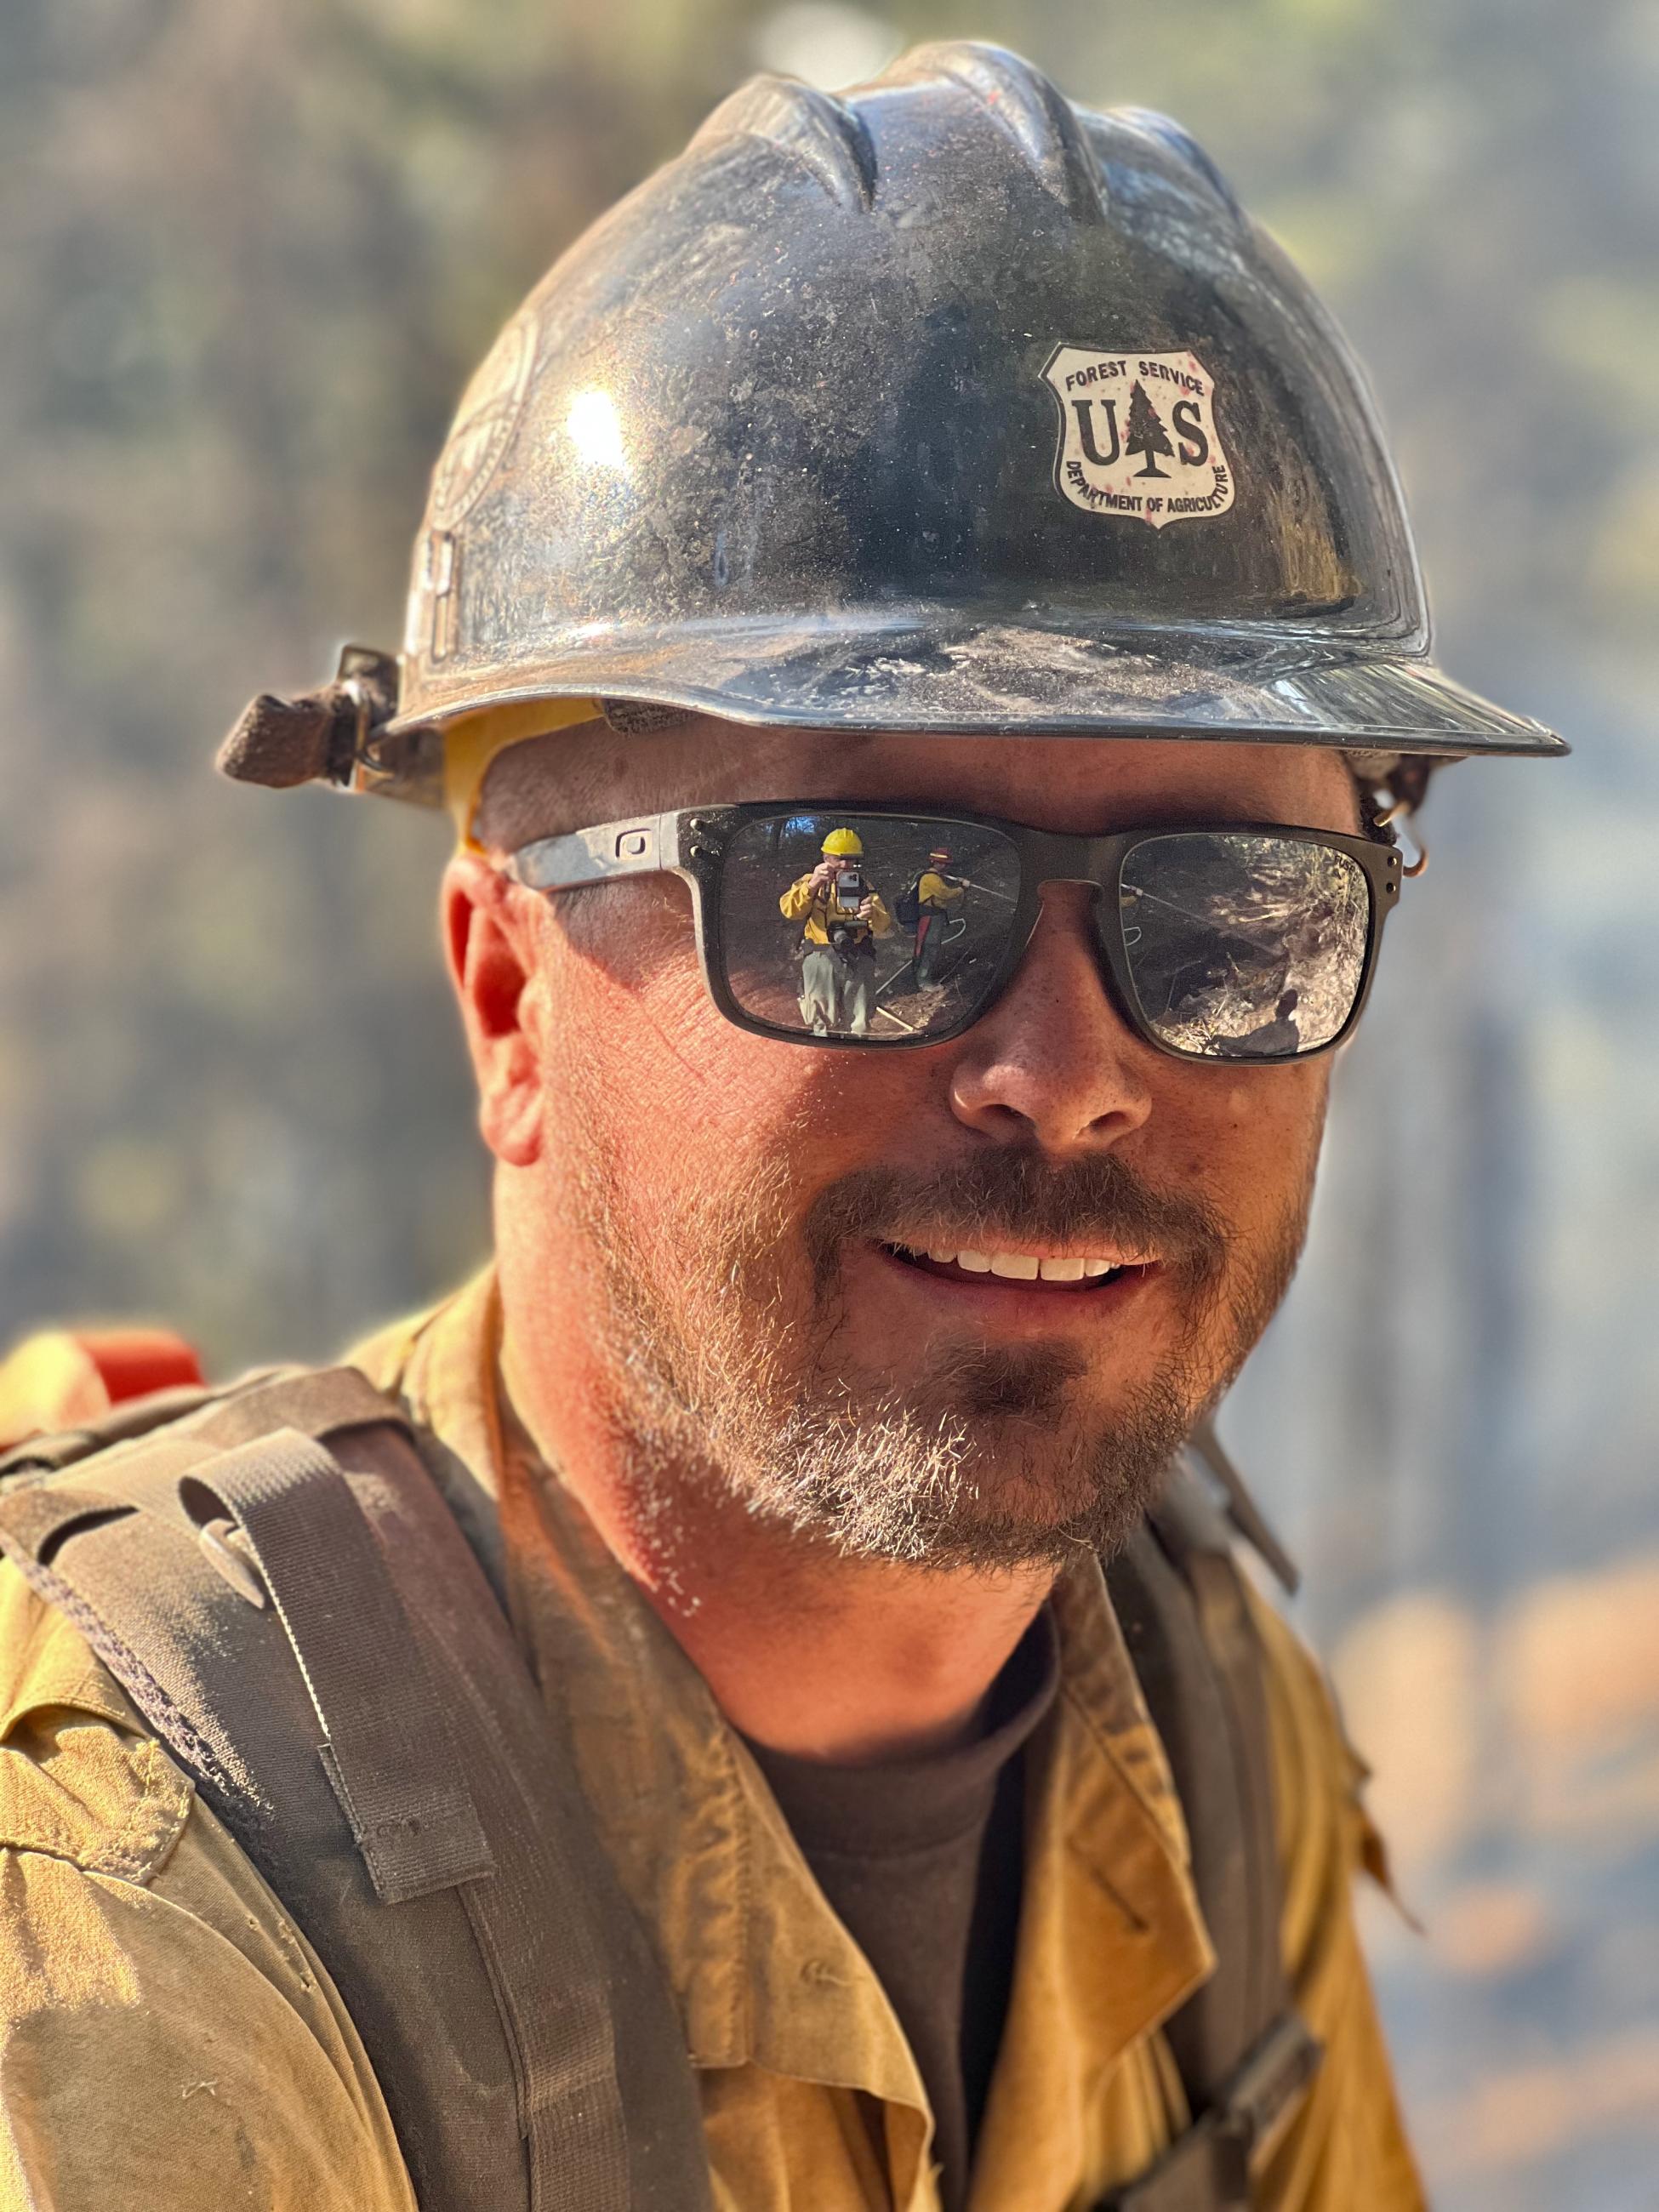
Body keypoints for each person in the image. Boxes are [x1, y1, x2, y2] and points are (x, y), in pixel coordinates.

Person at [0, 42, 1566, 2212]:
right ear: (504, 996)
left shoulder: (1197, 1731)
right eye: (868, 903)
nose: (1070, 1064)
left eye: (1227, 918)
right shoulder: (143, 1936)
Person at [780, 825, 893, 1033]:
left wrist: (871, 914)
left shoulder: (863, 885)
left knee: (859, 1019)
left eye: (851, 859)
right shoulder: (809, 881)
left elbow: (884, 925)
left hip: (858, 954)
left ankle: (857, 1054)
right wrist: (813, 885)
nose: (845, 864)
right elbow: (790, 911)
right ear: (825, 858)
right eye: (838, 859)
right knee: (820, 1019)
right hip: (820, 956)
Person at [910, 846, 966, 988]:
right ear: (938, 863)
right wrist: (962, 888)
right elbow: (944, 893)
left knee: (928, 947)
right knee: (930, 947)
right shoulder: (931, 878)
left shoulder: (933, 877)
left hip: (933, 916)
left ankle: (922, 978)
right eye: (945, 864)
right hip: (931, 918)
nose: (946, 867)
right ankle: (924, 982)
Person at [1214, 988, 1303, 1059]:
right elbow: (1245, 1041)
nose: (1282, 1005)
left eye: (1286, 1003)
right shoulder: (1271, 1028)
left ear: (1293, 1006)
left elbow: (1263, 1055)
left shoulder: (1289, 1034)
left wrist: (1232, 1048)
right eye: (1282, 1002)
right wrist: (1223, 1039)